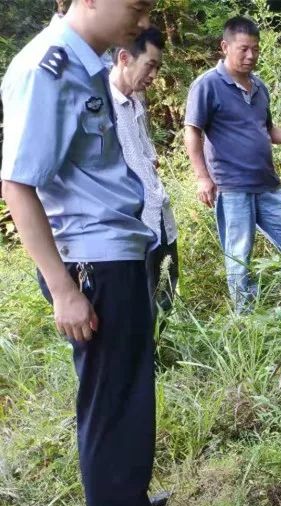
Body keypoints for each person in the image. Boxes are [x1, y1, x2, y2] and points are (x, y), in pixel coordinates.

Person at [1, 1, 164, 506]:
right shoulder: (46, 68)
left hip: (117, 251)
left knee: (128, 393)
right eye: (137, 7)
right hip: (93, 262)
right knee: (110, 401)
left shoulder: (86, 65)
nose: (142, 21)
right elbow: (18, 184)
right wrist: (63, 290)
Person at [184, 16, 281, 313]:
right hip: (232, 187)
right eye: (243, 49)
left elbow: (268, 132)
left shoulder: (259, 87)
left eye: (255, 49)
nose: (250, 56)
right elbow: (192, 130)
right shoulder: (207, 85)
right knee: (239, 255)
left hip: (267, 185)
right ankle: (245, 318)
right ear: (225, 46)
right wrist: (201, 177)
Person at [109, 26, 179, 318]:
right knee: (140, 302)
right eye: (150, 65)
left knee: (166, 291)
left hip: (158, 212)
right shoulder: (102, 106)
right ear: (124, 57)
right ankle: (147, 360)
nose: (153, 75)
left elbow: (146, 156)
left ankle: (162, 354)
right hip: (132, 225)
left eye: (157, 67)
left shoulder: (137, 101)